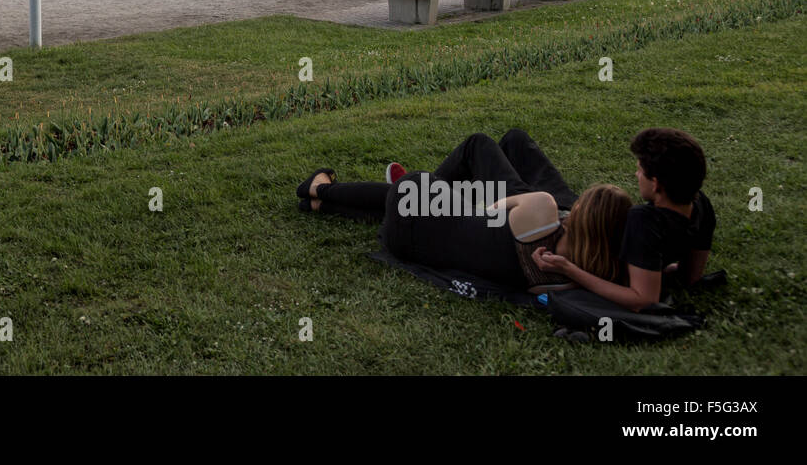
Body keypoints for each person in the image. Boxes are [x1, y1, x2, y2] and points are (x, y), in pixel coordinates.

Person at [295, 130, 630, 295]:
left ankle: (318, 188)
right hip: (411, 248)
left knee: (421, 192)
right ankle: (319, 203)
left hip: (416, 215)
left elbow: (490, 207)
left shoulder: (543, 208)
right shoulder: (589, 273)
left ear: (582, 214)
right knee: (422, 205)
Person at [532, 128, 714, 311]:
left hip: (577, 226)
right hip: (589, 213)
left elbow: (643, 300)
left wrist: (569, 269)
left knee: (515, 156)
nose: (636, 175)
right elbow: (690, 276)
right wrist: (654, 272)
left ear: (656, 183)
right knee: (519, 144)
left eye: (640, 171)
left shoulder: (644, 221)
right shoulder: (700, 204)